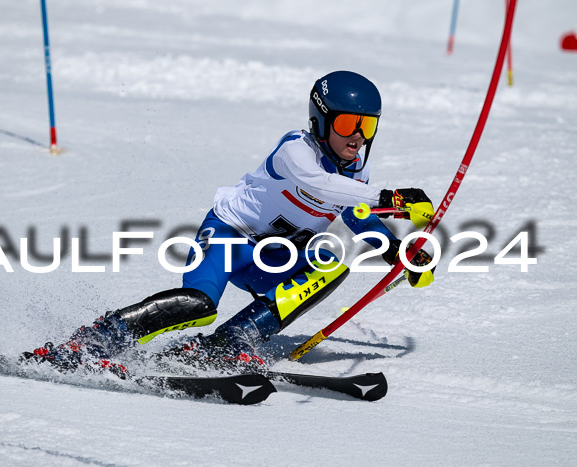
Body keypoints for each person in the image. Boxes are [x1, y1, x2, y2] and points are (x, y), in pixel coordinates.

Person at [27, 71, 435, 372]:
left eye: (368, 126)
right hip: (227, 240)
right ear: (322, 120)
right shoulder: (295, 151)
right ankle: (91, 342)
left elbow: (354, 212)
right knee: (199, 305)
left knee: (333, 264)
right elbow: (323, 187)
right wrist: (394, 199)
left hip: (272, 258)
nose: (358, 137)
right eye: (348, 124)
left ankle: (227, 344)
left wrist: (400, 252)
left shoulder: (355, 175)